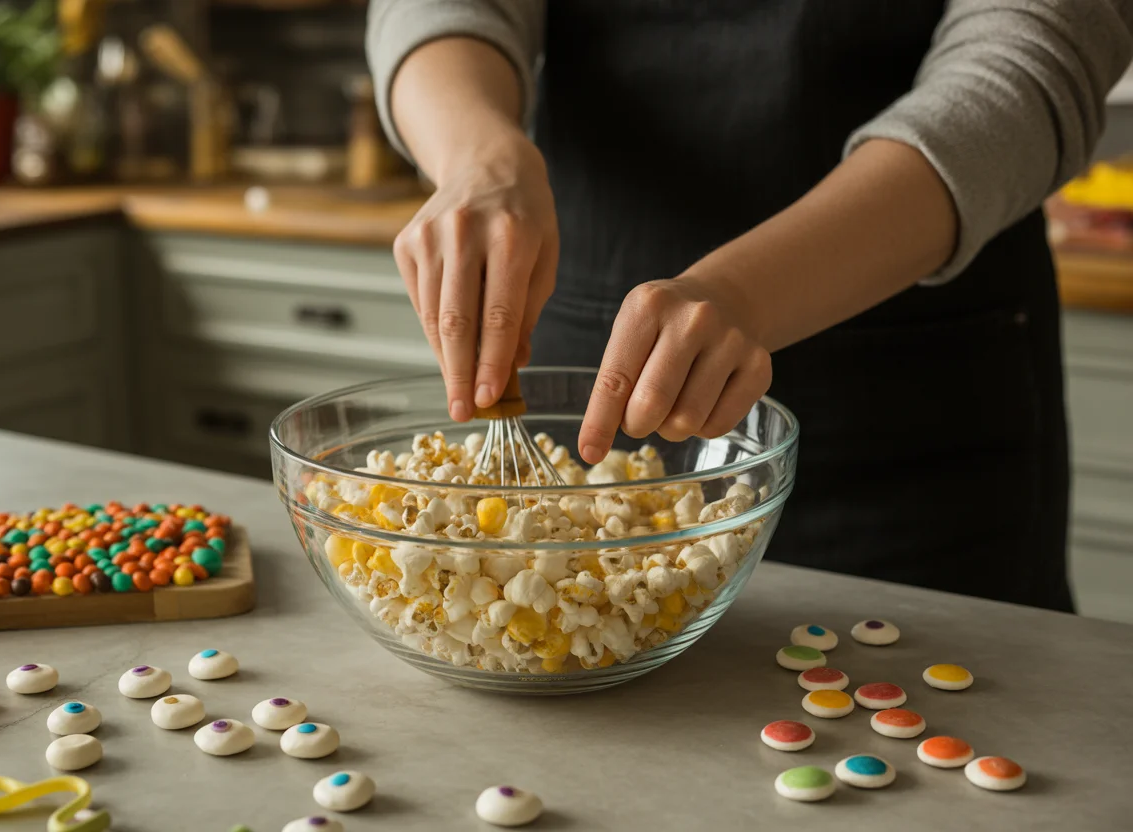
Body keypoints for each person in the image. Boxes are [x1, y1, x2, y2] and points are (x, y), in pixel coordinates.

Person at [366, 0, 1133, 611]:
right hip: (591, 392)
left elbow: (1030, 54)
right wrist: (478, 156)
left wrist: (743, 292)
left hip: (922, 413)